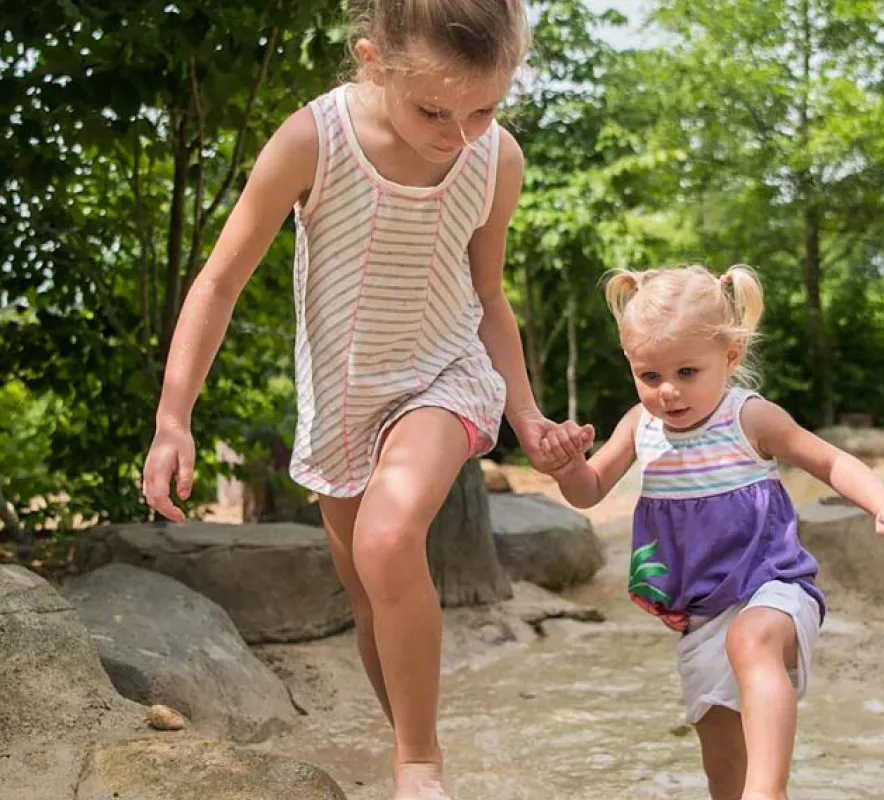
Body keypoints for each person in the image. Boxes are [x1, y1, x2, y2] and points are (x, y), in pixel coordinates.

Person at [139, 2, 588, 796]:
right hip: (342, 400)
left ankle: (418, 766)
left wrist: (525, 413)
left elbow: (488, 296)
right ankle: (412, 741)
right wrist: (173, 417)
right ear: (373, 60)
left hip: (447, 374)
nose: (459, 134)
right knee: (369, 594)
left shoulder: (496, 160)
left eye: (484, 109)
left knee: (387, 542)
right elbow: (220, 281)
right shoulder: (314, 139)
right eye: (434, 111)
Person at [541, 264, 884, 800]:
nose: (668, 391)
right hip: (700, 613)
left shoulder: (749, 417)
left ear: (729, 357)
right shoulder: (639, 425)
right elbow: (588, 491)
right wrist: (565, 466)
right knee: (725, 771)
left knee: (752, 641)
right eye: (649, 377)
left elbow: (831, 461)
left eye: (686, 372)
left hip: (772, 584)